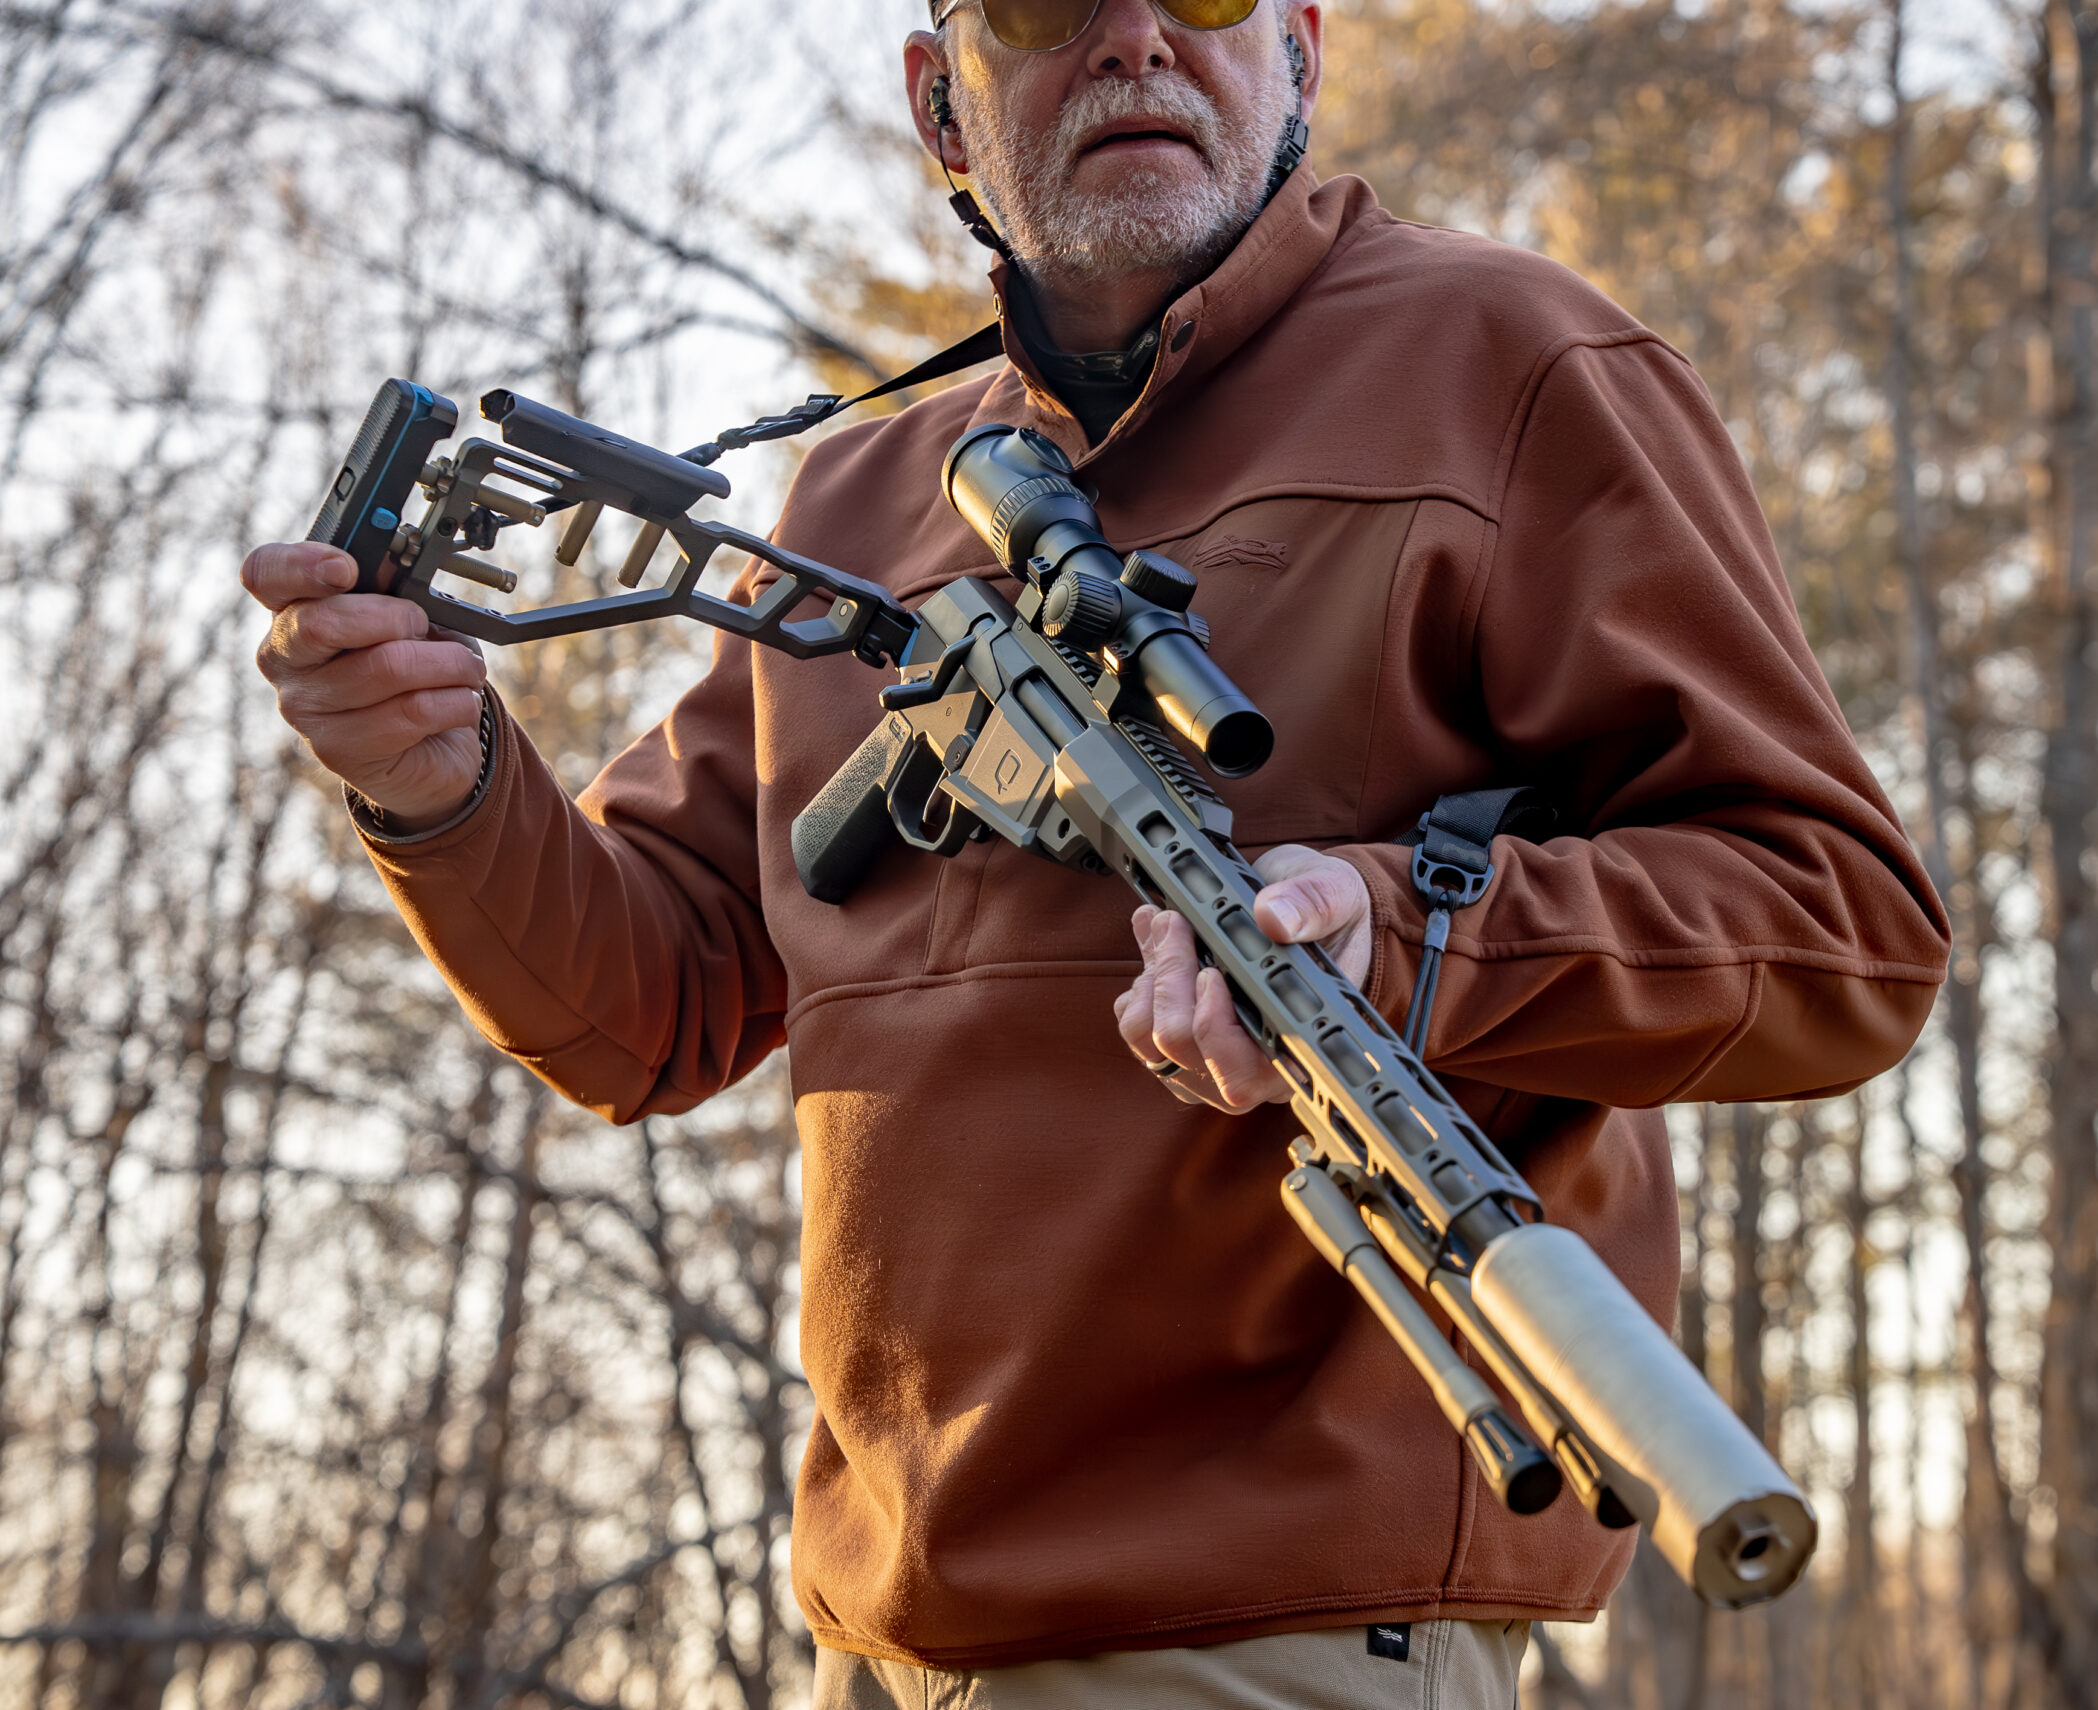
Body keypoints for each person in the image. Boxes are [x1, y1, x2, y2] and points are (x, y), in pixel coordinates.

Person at [241, 1, 1950, 1704]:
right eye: (1049, 5)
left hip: (1273, 1628)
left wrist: (1406, 934)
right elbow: (646, 1006)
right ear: (942, 103)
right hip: (879, 1635)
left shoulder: (1510, 365)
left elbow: (1843, 928)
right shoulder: (847, 503)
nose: (1135, 38)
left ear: (1300, 51)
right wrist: (440, 783)